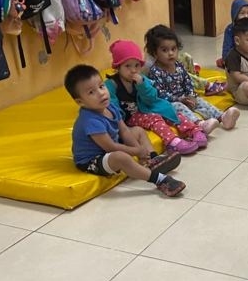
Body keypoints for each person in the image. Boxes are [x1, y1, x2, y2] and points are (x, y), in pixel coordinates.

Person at [64, 64, 186, 197]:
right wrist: (136, 151)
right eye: (91, 92)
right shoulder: (90, 121)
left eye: (101, 86)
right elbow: (110, 147)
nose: (101, 93)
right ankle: (160, 180)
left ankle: (152, 159)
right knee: (120, 157)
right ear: (80, 102)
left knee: (138, 131)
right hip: (93, 160)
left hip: (110, 147)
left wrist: (139, 150)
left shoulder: (110, 106)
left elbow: (124, 131)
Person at [104, 39, 211, 154]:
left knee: (171, 111)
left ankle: (195, 131)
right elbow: (113, 108)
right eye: (127, 66)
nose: (133, 70)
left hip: (147, 108)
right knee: (154, 118)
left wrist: (142, 85)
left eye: (137, 65)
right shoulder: (111, 85)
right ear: (118, 67)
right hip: (130, 118)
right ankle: (172, 142)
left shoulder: (141, 79)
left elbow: (152, 98)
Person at [145, 24, 240, 130]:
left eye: (173, 49)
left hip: (185, 97)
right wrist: (180, 99)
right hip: (170, 103)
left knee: (199, 101)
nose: (171, 53)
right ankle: (199, 124)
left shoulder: (178, 65)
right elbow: (160, 94)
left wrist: (191, 95)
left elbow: (187, 81)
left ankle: (222, 117)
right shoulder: (155, 72)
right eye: (164, 50)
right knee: (178, 107)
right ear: (155, 53)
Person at [217, 0, 248, 67]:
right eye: (242, 13)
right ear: (235, 14)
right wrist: (226, 59)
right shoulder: (230, 29)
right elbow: (227, 46)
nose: (246, 16)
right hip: (235, 55)